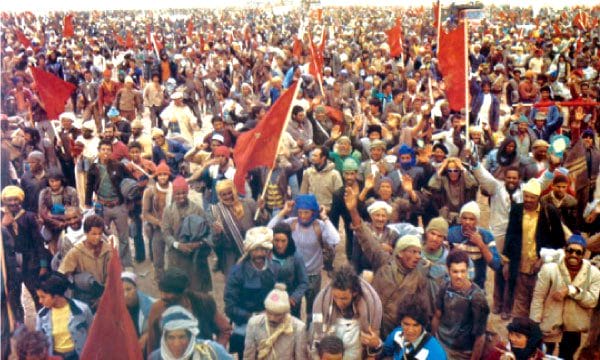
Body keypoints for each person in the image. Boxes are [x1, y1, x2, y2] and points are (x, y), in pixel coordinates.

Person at [345, 186, 437, 338]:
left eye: (419, 253)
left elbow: (423, 310)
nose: (417, 256)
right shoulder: (383, 261)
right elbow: (364, 236)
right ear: (400, 253)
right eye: (413, 252)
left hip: (395, 332)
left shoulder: (419, 278)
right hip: (370, 321)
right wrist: (353, 210)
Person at [267, 195, 340, 321]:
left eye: (306, 212)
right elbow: (268, 230)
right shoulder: (292, 223)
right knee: (293, 307)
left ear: (313, 212)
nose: (303, 216)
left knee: (313, 309)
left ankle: (313, 333)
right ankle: (296, 332)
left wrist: (324, 217)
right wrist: (284, 212)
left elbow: (335, 239)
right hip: (294, 275)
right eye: (300, 212)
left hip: (313, 275)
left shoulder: (320, 226)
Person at [530, 235, 600, 360]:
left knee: (567, 356)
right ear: (564, 250)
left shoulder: (593, 273)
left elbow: (592, 301)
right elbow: (538, 298)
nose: (574, 254)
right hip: (549, 323)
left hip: (574, 327)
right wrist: (534, 324)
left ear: (584, 254)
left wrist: (572, 290)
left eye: (578, 252)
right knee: (544, 355)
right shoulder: (550, 269)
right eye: (570, 250)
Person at [503, 178, 565, 318]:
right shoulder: (516, 210)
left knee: (537, 300)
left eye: (532, 197)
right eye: (526, 196)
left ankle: (534, 331)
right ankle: (520, 330)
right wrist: (507, 261)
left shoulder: (550, 212)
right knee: (520, 300)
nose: (528, 200)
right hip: (520, 264)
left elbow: (559, 242)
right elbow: (510, 235)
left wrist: (543, 259)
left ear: (538, 197)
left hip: (540, 267)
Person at [224, 226, 281, 358]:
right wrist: (254, 316)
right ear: (249, 251)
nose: (259, 254)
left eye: (263, 250)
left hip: (273, 322)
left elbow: (282, 296)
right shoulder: (237, 273)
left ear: (268, 251)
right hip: (245, 324)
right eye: (256, 249)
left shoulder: (276, 269)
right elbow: (230, 307)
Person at [145, 268, 231, 355]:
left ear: (184, 291)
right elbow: (153, 343)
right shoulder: (158, 309)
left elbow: (225, 330)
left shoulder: (203, 303)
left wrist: (214, 352)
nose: (163, 296)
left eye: (168, 292)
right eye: (162, 292)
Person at [309, 264, 383, 359]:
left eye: (344, 298)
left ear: (354, 293)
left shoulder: (370, 308)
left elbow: (375, 346)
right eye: (336, 297)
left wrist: (376, 344)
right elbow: (316, 342)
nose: (339, 302)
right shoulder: (322, 305)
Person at [1, 185, 50, 322]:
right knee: (14, 299)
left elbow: (38, 242)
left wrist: (43, 265)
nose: (12, 203)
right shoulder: (1, 218)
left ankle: (43, 323)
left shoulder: (29, 217)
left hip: (30, 262)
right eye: (9, 200)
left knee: (38, 295)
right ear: (4, 202)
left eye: (15, 200)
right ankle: (20, 327)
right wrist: (3, 226)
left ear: (20, 200)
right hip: (10, 265)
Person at [432, 250, 490, 360]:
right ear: (448, 270)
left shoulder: (477, 298)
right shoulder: (444, 286)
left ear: (468, 270)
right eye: (455, 271)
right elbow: (437, 315)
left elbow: (480, 336)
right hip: (440, 342)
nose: (459, 276)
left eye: (463, 271)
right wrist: (431, 341)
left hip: (461, 352)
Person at [85, 139, 133, 268]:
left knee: (123, 237)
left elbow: (130, 181)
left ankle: (125, 264)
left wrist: (129, 200)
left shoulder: (118, 166)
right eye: (103, 149)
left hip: (118, 206)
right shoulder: (93, 168)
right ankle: (107, 264)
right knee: (102, 236)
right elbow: (89, 186)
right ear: (99, 151)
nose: (105, 152)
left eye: (108, 150)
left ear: (112, 152)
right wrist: (87, 203)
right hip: (102, 207)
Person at [162, 176, 212, 293]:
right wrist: (177, 245)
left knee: (197, 291)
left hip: (195, 257)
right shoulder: (168, 211)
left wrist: (199, 244)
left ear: (187, 192)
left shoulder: (197, 210)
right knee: (178, 290)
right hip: (176, 257)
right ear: (173, 194)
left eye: (183, 193)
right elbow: (165, 232)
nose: (181, 197)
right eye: (178, 194)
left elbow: (208, 231)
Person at [210, 179, 268, 277]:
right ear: (219, 196)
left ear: (234, 190)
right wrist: (217, 233)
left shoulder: (249, 203)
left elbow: (262, 225)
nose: (228, 197)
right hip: (230, 258)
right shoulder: (216, 212)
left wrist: (261, 210)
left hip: (252, 253)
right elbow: (216, 243)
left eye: (230, 193)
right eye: (224, 195)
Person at [35, 271, 94, 359]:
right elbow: (38, 341)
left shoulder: (82, 310)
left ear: (56, 296)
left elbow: (92, 334)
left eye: (43, 297)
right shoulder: (42, 316)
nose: (40, 301)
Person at [58, 215, 112, 310]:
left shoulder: (107, 250)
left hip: (105, 293)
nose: (97, 237)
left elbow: (111, 275)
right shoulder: (76, 251)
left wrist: (103, 297)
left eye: (100, 234)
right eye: (94, 234)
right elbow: (62, 273)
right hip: (84, 296)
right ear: (86, 233)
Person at [243, 283, 308, 360]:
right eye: (269, 313)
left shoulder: (298, 328)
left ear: (286, 312)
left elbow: (300, 358)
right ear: (265, 310)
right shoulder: (254, 324)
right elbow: (248, 357)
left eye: (277, 315)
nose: (272, 318)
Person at [447, 201, 502, 289]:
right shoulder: (451, 233)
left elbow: (496, 265)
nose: (467, 222)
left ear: (477, 221)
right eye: (464, 218)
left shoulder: (486, 236)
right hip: (454, 286)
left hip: (477, 287)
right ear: (460, 219)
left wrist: (481, 244)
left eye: (471, 219)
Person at [148, 305, 232, 360]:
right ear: (165, 339)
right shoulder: (156, 357)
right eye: (171, 338)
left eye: (182, 337)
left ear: (190, 337)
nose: (177, 344)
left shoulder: (212, 351)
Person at [380, 300, 447, 359]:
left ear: (422, 324)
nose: (410, 330)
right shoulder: (396, 334)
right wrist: (377, 344)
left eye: (415, 325)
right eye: (406, 324)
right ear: (400, 322)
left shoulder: (436, 352)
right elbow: (385, 352)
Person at [142, 160, 173, 281]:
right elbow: (145, 213)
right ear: (156, 176)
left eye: (165, 174)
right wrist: (158, 223)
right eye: (160, 175)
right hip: (158, 229)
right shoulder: (150, 191)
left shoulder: (174, 190)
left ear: (169, 175)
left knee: (173, 257)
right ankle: (159, 281)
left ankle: (172, 281)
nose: (163, 177)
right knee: (158, 258)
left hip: (172, 229)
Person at [271, 222, 309, 318]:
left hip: (291, 305)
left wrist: (294, 298)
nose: (279, 245)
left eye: (283, 241)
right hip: (271, 301)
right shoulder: (267, 254)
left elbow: (304, 282)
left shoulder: (296, 256)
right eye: (276, 240)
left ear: (289, 240)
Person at [38, 169, 79, 255]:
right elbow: (44, 214)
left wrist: (54, 216)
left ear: (61, 180)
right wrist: (58, 219)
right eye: (51, 181)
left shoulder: (71, 191)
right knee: (53, 251)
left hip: (68, 225)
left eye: (57, 181)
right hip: (50, 226)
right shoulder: (44, 193)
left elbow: (74, 211)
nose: (54, 184)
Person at [300, 146, 344, 211]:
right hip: (311, 210)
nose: (312, 158)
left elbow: (339, 197)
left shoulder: (334, 174)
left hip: (329, 210)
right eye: (312, 155)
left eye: (315, 156)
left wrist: (328, 209)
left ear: (323, 158)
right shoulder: (308, 172)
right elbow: (303, 193)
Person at [121, 271, 156, 354]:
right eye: (121, 291)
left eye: (129, 289)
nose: (125, 294)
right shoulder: (115, 309)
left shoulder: (152, 305)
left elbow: (160, 326)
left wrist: (147, 335)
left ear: (136, 288)